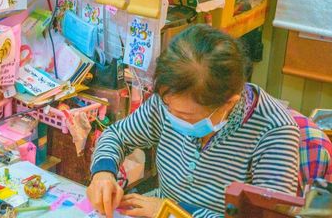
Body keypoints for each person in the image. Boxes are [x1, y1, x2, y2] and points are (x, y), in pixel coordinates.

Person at [87, 25, 300, 218]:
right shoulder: (170, 98)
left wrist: (172, 211)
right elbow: (117, 136)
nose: (171, 116)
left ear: (228, 102)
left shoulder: (274, 132)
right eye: (168, 107)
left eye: (186, 116)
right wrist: (103, 173)